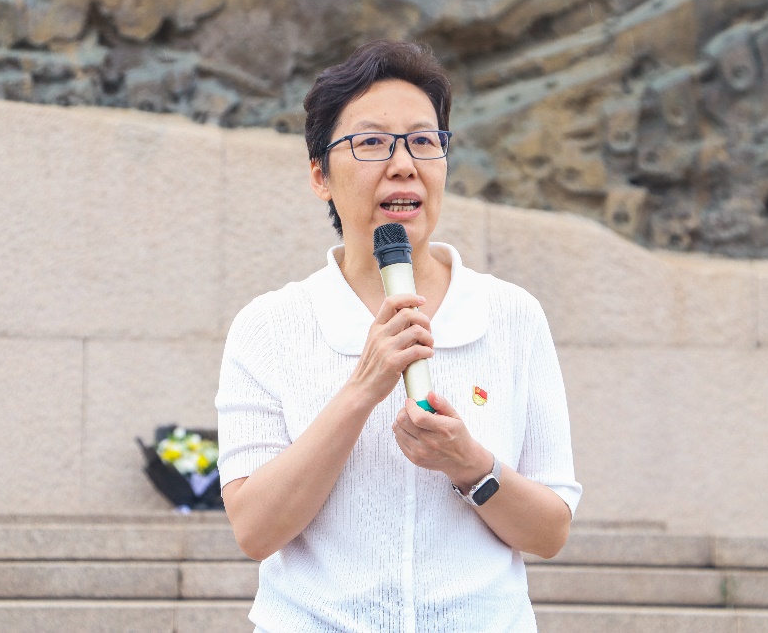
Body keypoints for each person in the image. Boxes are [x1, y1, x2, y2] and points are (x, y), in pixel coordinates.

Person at [216, 39, 582, 632]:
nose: (404, 163)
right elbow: (255, 531)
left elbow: (550, 531)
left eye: (423, 140)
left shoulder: (511, 315)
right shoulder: (271, 325)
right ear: (320, 175)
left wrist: (470, 464)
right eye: (371, 143)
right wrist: (362, 389)